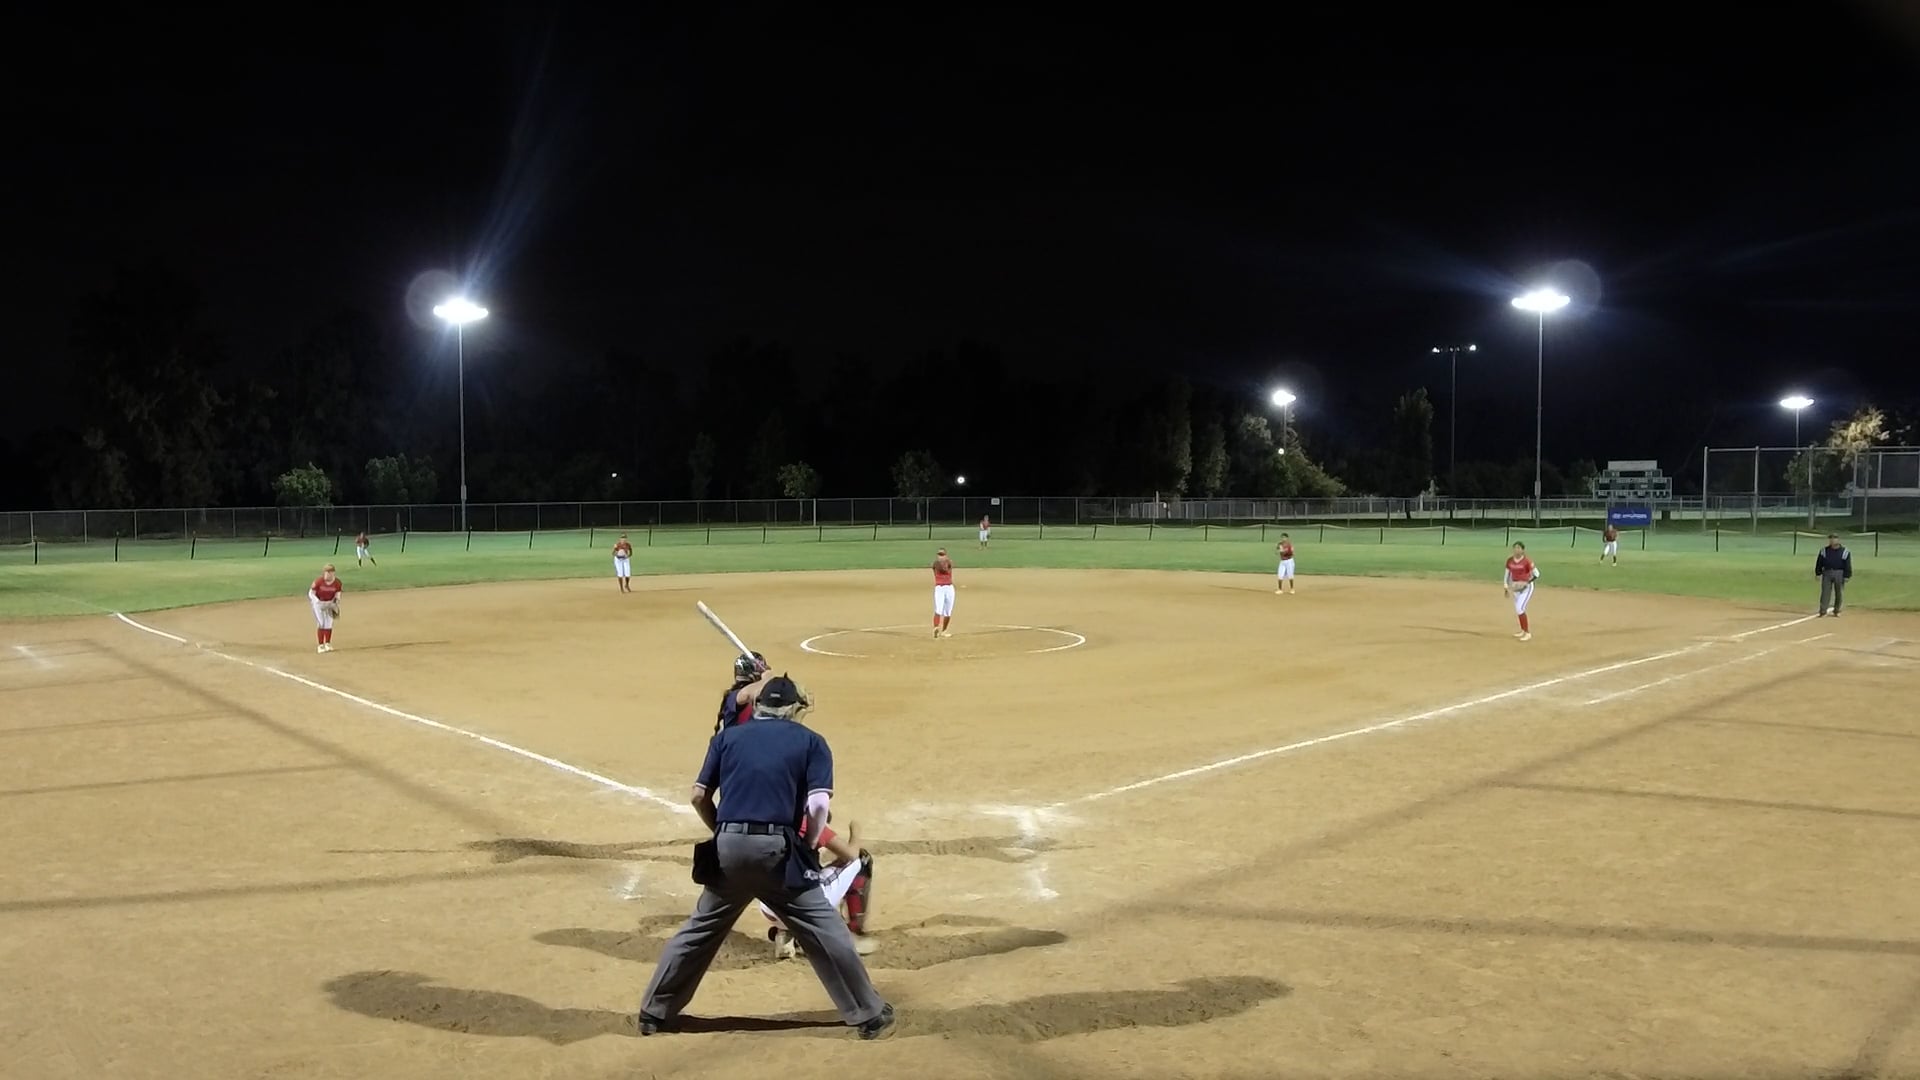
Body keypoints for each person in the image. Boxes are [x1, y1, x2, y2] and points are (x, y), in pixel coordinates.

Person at [637, 675, 895, 1040]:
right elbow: (818, 805)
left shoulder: (727, 738)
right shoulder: (811, 741)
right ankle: (868, 1014)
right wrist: (808, 842)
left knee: (699, 930)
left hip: (728, 850)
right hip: (778, 853)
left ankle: (654, 1012)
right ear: (792, 710)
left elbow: (698, 796)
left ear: (759, 707)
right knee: (826, 930)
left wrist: (722, 830)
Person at [761, 814, 876, 959]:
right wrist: (856, 831)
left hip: (768, 908)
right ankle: (853, 934)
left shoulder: (773, 818)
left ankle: (785, 934)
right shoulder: (810, 822)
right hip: (806, 907)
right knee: (861, 859)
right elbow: (851, 854)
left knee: (798, 873)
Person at [715, 652, 769, 734]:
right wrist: (766, 680)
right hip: (732, 741)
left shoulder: (759, 698)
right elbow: (745, 695)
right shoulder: (734, 696)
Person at [1503, 542, 1539, 642]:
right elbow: (1507, 574)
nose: (1516, 550)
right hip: (1515, 587)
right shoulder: (1510, 561)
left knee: (1520, 608)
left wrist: (1526, 583)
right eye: (1515, 548)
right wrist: (1506, 585)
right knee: (1518, 609)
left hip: (1526, 588)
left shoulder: (1527, 561)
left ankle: (1527, 633)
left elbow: (1536, 574)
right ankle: (1523, 630)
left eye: (1519, 548)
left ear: (1523, 550)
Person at [1815, 533, 1852, 617]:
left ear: (1838, 540)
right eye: (1831, 538)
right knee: (1825, 592)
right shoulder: (1824, 551)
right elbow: (1819, 562)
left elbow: (1847, 564)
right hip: (1827, 572)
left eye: (1834, 538)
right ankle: (1823, 610)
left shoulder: (1844, 551)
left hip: (1839, 573)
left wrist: (1847, 575)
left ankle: (1837, 610)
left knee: (1839, 592)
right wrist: (1818, 573)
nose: (1832, 540)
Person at [309, 564, 343, 653]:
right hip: (319, 604)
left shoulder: (337, 583)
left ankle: (327, 643)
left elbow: (338, 594)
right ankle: (320, 645)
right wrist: (317, 602)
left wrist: (335, 603)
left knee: (329, 623)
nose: (327, 574)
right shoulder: (318, 581)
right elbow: (311, 593)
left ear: (333, 573)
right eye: (326, 572)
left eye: (329, 572)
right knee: (321, 623)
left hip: (329, 603)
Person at [932, 548, 956, 638]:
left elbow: (947, 568)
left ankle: (944, 631)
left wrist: (947, 562)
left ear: (946, 556)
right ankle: (936, 628)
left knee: (948, 612)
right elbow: (941, 568)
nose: (940, 557)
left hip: (949, 588)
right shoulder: (936, 563)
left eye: (942, 555)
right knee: (938, 609)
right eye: (939, 555)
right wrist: (944, 562)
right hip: (939, 588)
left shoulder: (949, 562)